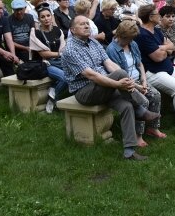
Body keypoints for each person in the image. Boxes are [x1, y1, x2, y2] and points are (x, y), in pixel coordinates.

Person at [62, 15, 159, 160]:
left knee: (126, 106)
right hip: (85, 91)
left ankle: (129, 151)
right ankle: (140, 109)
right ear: (73, 30)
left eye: (87, 24)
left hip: (104, 86)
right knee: (119, 74)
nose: (87, 26)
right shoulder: (70, 50)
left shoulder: (94, 42)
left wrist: (128, 82)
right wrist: (118, 84)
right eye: (82, 24)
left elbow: (109, 64)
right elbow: (91, 75)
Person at [106, 20, 164, 147]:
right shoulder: (112, 50)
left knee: (156, 95)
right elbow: (119, 74)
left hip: (139, 80)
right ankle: (138, 135)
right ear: (121, 36)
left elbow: (139, 63)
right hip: (125, 84)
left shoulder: (133, 44)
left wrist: (143, 80)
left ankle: (153, 128)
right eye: (129, 38)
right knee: (143, 101)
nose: (131, 41)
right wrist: (138, 87)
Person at [29, 6, 67, 113]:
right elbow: (43, 54)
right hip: (45, 64)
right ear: (39, 19)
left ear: (51, 17)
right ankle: (54, 98)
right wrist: (59, 54)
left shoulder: (57, 30)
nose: (46, 19)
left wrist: (59, 54)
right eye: (42, 17)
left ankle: (53, 92)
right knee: (65, 77)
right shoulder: (36, 33)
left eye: (48, 16)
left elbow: (63, 47)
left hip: (59, 61)